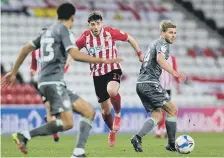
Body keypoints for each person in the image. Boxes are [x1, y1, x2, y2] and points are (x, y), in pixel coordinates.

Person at [1, 3, 122, 157]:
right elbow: (76, 55)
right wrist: (102, 61)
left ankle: (78, 152)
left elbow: (25, 49)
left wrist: (14, 72)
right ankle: (24, 135)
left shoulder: (47, 32)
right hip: (53, 83)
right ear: (72, 18)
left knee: (88, 112)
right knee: (67, 123)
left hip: (48, 82)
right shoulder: (64, 31)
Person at [75, 11, 144, 147]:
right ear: (88, 25)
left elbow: (129, 38)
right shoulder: (84, 38)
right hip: (97, 74)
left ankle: (118, 114)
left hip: (113, 68)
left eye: (98, 23)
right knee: (105, 110)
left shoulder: (109, 32)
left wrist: (139, 53)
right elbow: (73, 50)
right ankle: (112, 130)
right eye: (92, 24)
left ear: (102, 24)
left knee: (112, 91)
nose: (95, 27)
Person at [130, 20, 185, 152]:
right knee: (173, 110)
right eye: (170, 32)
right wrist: (174, 72)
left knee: (157, 115)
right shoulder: (162, 43)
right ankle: (172, 145)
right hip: (150, 83)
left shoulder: (154, 43)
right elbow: (160, 59)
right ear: (162, 33)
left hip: (140, 84)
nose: (173, 35)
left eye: (175, 33)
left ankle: (137, 138)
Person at [30, 47, 72, 142]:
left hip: (57, 81)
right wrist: (33, 73)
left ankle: (52, 119)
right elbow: (33, 66)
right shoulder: (35, 52)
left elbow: (64, 63)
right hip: (43, 83)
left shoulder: (55, 48)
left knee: (59, 110)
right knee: (49, 106)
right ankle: (54, 131)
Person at [155, 54, 179, 138]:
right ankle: (160, 129)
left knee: (166, 110)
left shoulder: (172, 58)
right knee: (159, 109)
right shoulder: (156, 57)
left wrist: (178, 85)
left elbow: (175, 71)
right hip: (158, 87)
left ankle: (163, 129)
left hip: (168, 88)